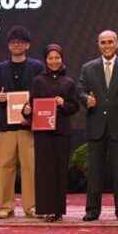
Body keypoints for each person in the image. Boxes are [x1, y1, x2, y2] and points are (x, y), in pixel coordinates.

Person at [77, 30, 118, 221]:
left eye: (110, 42)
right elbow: (81, 90)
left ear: (117, 44)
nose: (106, 45)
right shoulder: (88, 68)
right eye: (103, 42)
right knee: (94, 171)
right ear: (98, 45)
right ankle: (92, 209)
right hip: (96, 126)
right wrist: (86, 99)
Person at [0, 26, 46, 219]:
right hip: (6, 125)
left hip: (28, 125)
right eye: (13, 42)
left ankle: (32, 205)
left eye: (20, 41)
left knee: (30, 167)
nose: (16, 45)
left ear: (27, 45)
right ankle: (6, 206)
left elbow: (41, 94)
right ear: (8, 45)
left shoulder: (37, 67)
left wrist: (32, 110)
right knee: (4, 166)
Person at [26, 45, 80, 222]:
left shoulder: (69, 82)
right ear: (45, 60)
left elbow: (74, 107)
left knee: (59, 171)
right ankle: (48, 209)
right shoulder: (38, 81)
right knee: (45, 171)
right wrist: (26, 111)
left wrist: (63, 103)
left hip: (62, 131)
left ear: (62, 59)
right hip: (43, 132)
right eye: (50, 58)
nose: (54, 61)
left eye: (57, 57)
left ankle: (58, 210)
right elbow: (30, 105)